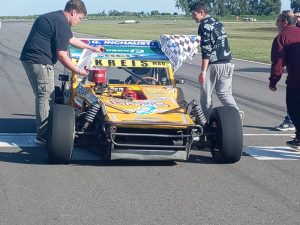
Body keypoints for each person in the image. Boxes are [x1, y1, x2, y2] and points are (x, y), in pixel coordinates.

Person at [20, 0, 105, 145]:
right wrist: (78, 70)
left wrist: (91, 48)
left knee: (45, 95)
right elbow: (62, 55)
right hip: (39, 61)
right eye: (80, 18)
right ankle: (43, 136)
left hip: (32, 59)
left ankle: (46, 131)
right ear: (73, 12)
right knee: (46, 96)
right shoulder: (61, 23)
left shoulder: (56, 18)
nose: (79, 21)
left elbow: (71, 39)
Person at [189, 2, 242, 121]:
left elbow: (206, 50)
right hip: (227, 62)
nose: (193, 17)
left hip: (214, 64)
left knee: (206, 95)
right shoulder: (218, 22)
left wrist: (203, 71)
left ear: (201, 12)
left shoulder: (204, 25)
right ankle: (236, 116)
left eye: (194, 14)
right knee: (224, 93)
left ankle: (207, 121)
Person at [269, 10, 300, 150]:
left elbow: (278, 63)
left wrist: (273, 81)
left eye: (278, 22)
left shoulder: (281, 37)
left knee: (294, 110)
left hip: (296, 81)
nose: (277, 25)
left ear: (285, 22)